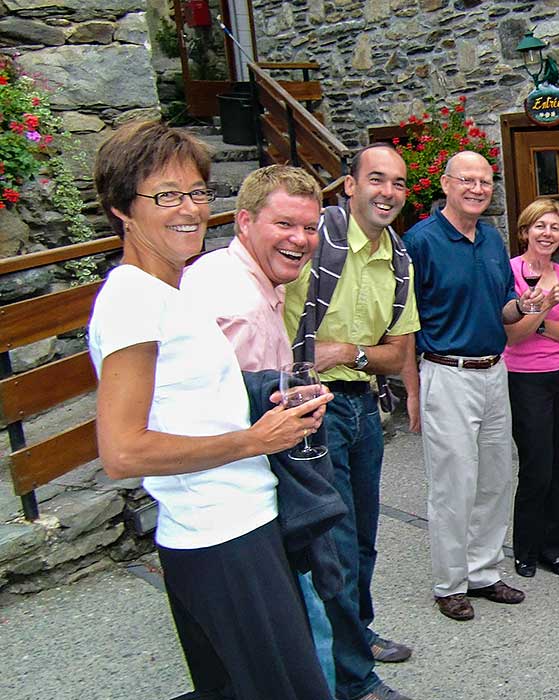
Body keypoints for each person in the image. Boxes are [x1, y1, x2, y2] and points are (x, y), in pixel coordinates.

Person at [89, 120, 332, 699]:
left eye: (197, 192)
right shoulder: (132, 300)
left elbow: (187, 402)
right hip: (221, 537)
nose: (190, 209)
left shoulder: (168, 293)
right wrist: (255, 440)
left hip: (232, 527)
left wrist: (267, 399)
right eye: (166, 195)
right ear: (122, 208)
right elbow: (122, 452)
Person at [181, 164, 337, 692]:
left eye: (310, 227)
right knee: (305, 636)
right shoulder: (241, 308)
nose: (301, 239)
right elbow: (234, 417)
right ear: (245, 221)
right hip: (242, 506)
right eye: (285, 224)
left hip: (210, 510)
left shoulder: (218, 270)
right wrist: (299, 415)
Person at [283, 143, 420, 700]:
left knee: (363, 537)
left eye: (399, 183)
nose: (388, 192)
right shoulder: (310, 240)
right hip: (313, 407)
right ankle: (353, 680)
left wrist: (347, 352)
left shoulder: (399, 260)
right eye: (377, 179)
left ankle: (357, 634)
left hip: (363, 406)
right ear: (350, 185)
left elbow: (397, 354)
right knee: (334, 544)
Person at [401, 150, 540, 621]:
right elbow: (404, 321)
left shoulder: (492, 238)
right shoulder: (420, 241)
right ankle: (449, 584)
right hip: (448, 373)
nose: (478, 188)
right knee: (453, 484)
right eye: (467, 180)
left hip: (493, 371)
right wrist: (411, 389)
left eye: (485, 181)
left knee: (495, 479)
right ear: (445, 184)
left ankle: (483, 572)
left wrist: (526, 305)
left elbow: (504, 308)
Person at [502, 198, 559, 579]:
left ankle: (555, 549)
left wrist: (541, 323)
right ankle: (526, 549)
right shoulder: (511, 273)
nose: (547, 233)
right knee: (537, 467)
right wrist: (548, 305)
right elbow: (513, 336)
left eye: (554, 227)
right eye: (540, 226)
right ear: (525, 231)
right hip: (525, 379)